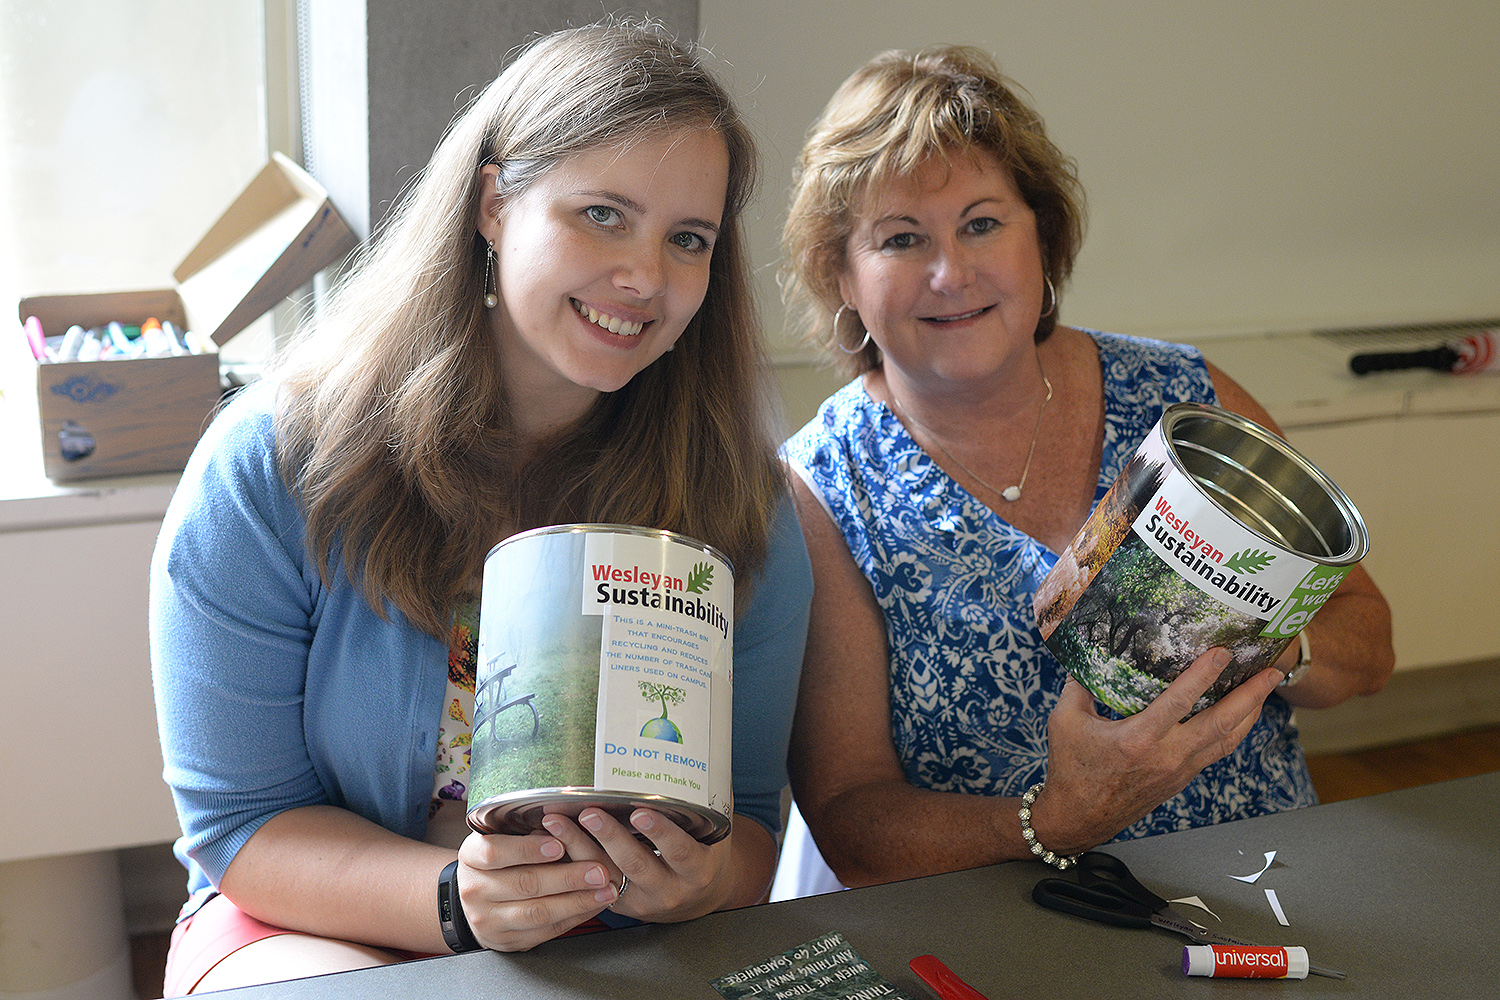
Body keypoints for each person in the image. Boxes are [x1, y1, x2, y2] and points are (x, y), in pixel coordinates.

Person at [149, 20, 811, 994]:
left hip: (608, 942)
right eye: (601, 214)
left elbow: (750, 822)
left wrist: (702, 879)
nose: (645, 277)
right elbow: (238, 824)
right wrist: (457, 901)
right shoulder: (272, 466)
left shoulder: (740, 505)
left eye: (688, 239)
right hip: (306, 918)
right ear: (495, 204)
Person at [776, 45, 1394, 892]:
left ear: (1044, 237)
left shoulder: (1184, 396)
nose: (950, 272)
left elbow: (1370, 646)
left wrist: (1265, 647)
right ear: (841, 274)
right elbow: (853, 824)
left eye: (983, 223)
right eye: (900, 239)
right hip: (1010, 911)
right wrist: (1061, 817)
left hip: (1268, 888)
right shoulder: (822, 485)